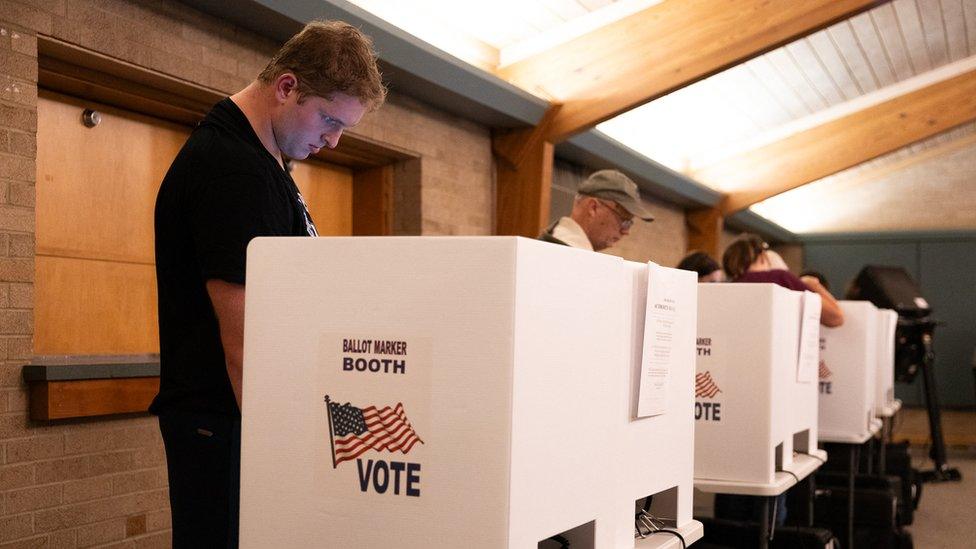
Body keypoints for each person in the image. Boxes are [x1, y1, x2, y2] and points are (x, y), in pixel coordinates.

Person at [150, 21, 386, 548]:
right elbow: (246, 343)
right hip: (227, 424)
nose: (333, 139)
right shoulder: (233, 171)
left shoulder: (264, 164)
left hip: (239, 421)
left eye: (344, 127)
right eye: (329, 119)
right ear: (286, 87)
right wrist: (291, 456)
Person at [722, 234, 844, 327]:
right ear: (763, 256)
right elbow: (835, 318)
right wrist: (814, 285)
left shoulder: (726, 290)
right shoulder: (780, 278)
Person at [539, 169, 654, 251]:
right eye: (624, 221)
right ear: (593, 208)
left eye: (629, 224)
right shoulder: (567, 258)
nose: (626, 232)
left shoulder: (550, 246)